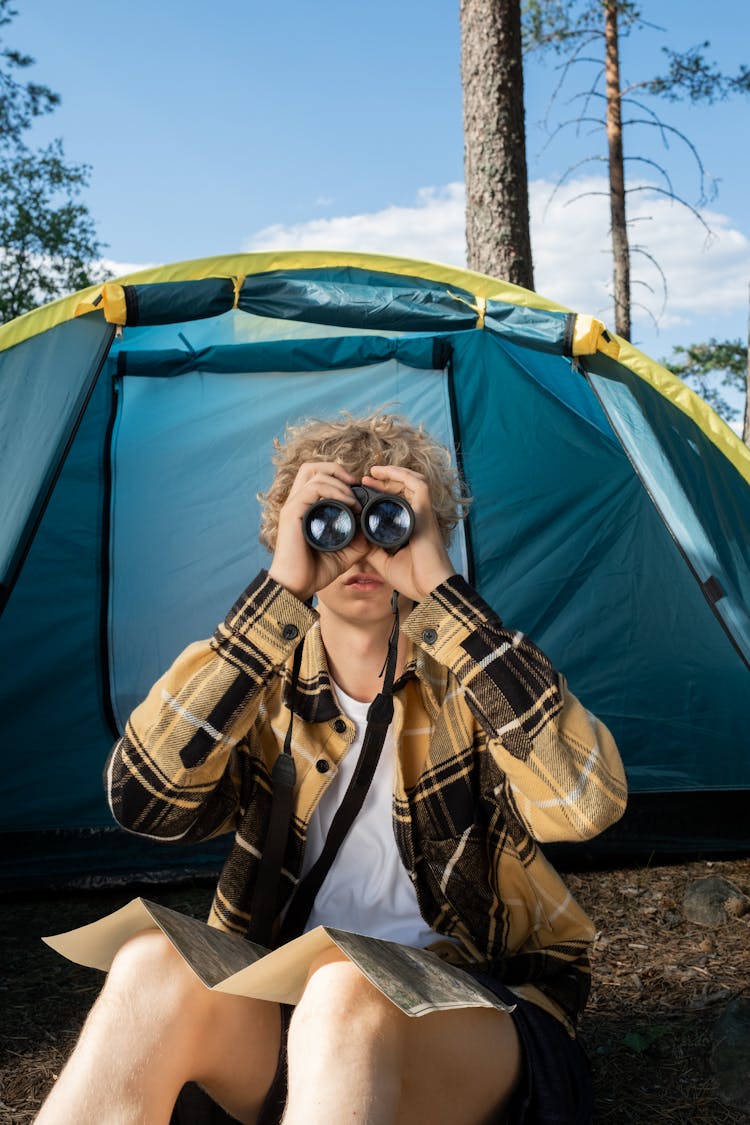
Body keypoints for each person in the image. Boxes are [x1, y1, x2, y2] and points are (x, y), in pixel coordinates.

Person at [36, 411, 627, 1125]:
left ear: (427, 535)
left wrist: (444, 592)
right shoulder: (259, 685)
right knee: (149, 960)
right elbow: (144, 797)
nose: (360, 556)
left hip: (474, 1020)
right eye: (328, 524)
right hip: (293, 1016)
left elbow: (586, 801)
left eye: (388, 525)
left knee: (349, 982)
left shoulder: (476, 680)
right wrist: (281, 588)